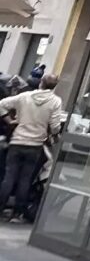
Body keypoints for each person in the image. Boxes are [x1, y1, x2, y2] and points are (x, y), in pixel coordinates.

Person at [0, 69, 64, 222]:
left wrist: (10, 121)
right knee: (25, 179)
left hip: (17, 141)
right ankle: (17, 213)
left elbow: (1, 104)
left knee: (9, 177)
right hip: (35, 145)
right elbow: (55, 126)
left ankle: (0, 207)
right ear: (54, 87)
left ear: (41, 82)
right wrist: (53, 133)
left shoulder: (25, 96)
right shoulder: (55, 101)